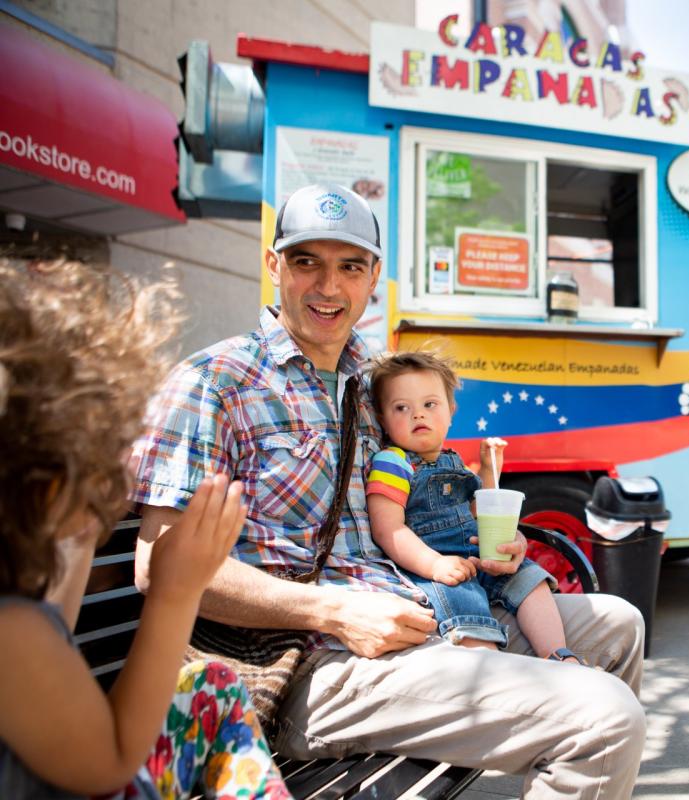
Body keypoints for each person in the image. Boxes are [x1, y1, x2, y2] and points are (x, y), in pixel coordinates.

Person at [128, 183, 647, 798]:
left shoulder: (369, 382)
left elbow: (413, 506)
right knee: (605, 718)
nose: (329, 287)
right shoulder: (214, 383)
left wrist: (486, 549)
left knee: (620, 623)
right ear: (273, 266)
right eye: (306, 262)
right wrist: (331, 609)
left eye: (349, 266)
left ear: (373, 276)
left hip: (418, 613)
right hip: (308, 661)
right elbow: (158, 566)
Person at [0, 259, 290, 799]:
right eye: (106, 448)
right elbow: (112, 763)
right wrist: (176, 593)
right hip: (106, 771)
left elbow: (54, 627)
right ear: (38, 480)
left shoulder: (21, 599)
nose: (125, 466)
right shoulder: (10, 636)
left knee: (211, 686)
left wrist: (82, 529)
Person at [365, 350, 576, 660]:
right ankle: (488, 672)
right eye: (401, 407)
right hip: (433, 567)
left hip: (480, 555)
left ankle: (558, 656)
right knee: (468, 613)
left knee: (530, 580)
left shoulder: (454, 461)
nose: (418, 414)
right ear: (383, 419)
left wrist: (490, 473)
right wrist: (435, 565)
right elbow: (389, 530)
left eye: (429, 404)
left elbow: (476, 513)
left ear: (451, 411)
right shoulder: (392, 462)